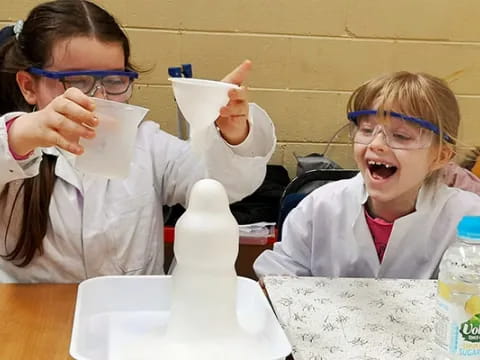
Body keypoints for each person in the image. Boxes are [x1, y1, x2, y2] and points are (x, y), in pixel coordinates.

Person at [0, 0, 276, 282]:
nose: (100, 96)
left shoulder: (149, 145)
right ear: (29, 86)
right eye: (77, 81)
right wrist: (17, 137)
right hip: (35, 316)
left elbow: (221, 186)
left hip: (130, 312)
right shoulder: (14, 142)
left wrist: (232, 134)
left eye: (114, 80)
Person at [254, 71, 480, 280]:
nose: (376, 144)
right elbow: (280, 274)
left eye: (401, 135)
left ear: (440, 156)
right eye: (366, 130)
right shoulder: (320, 206)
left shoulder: (468, 215)